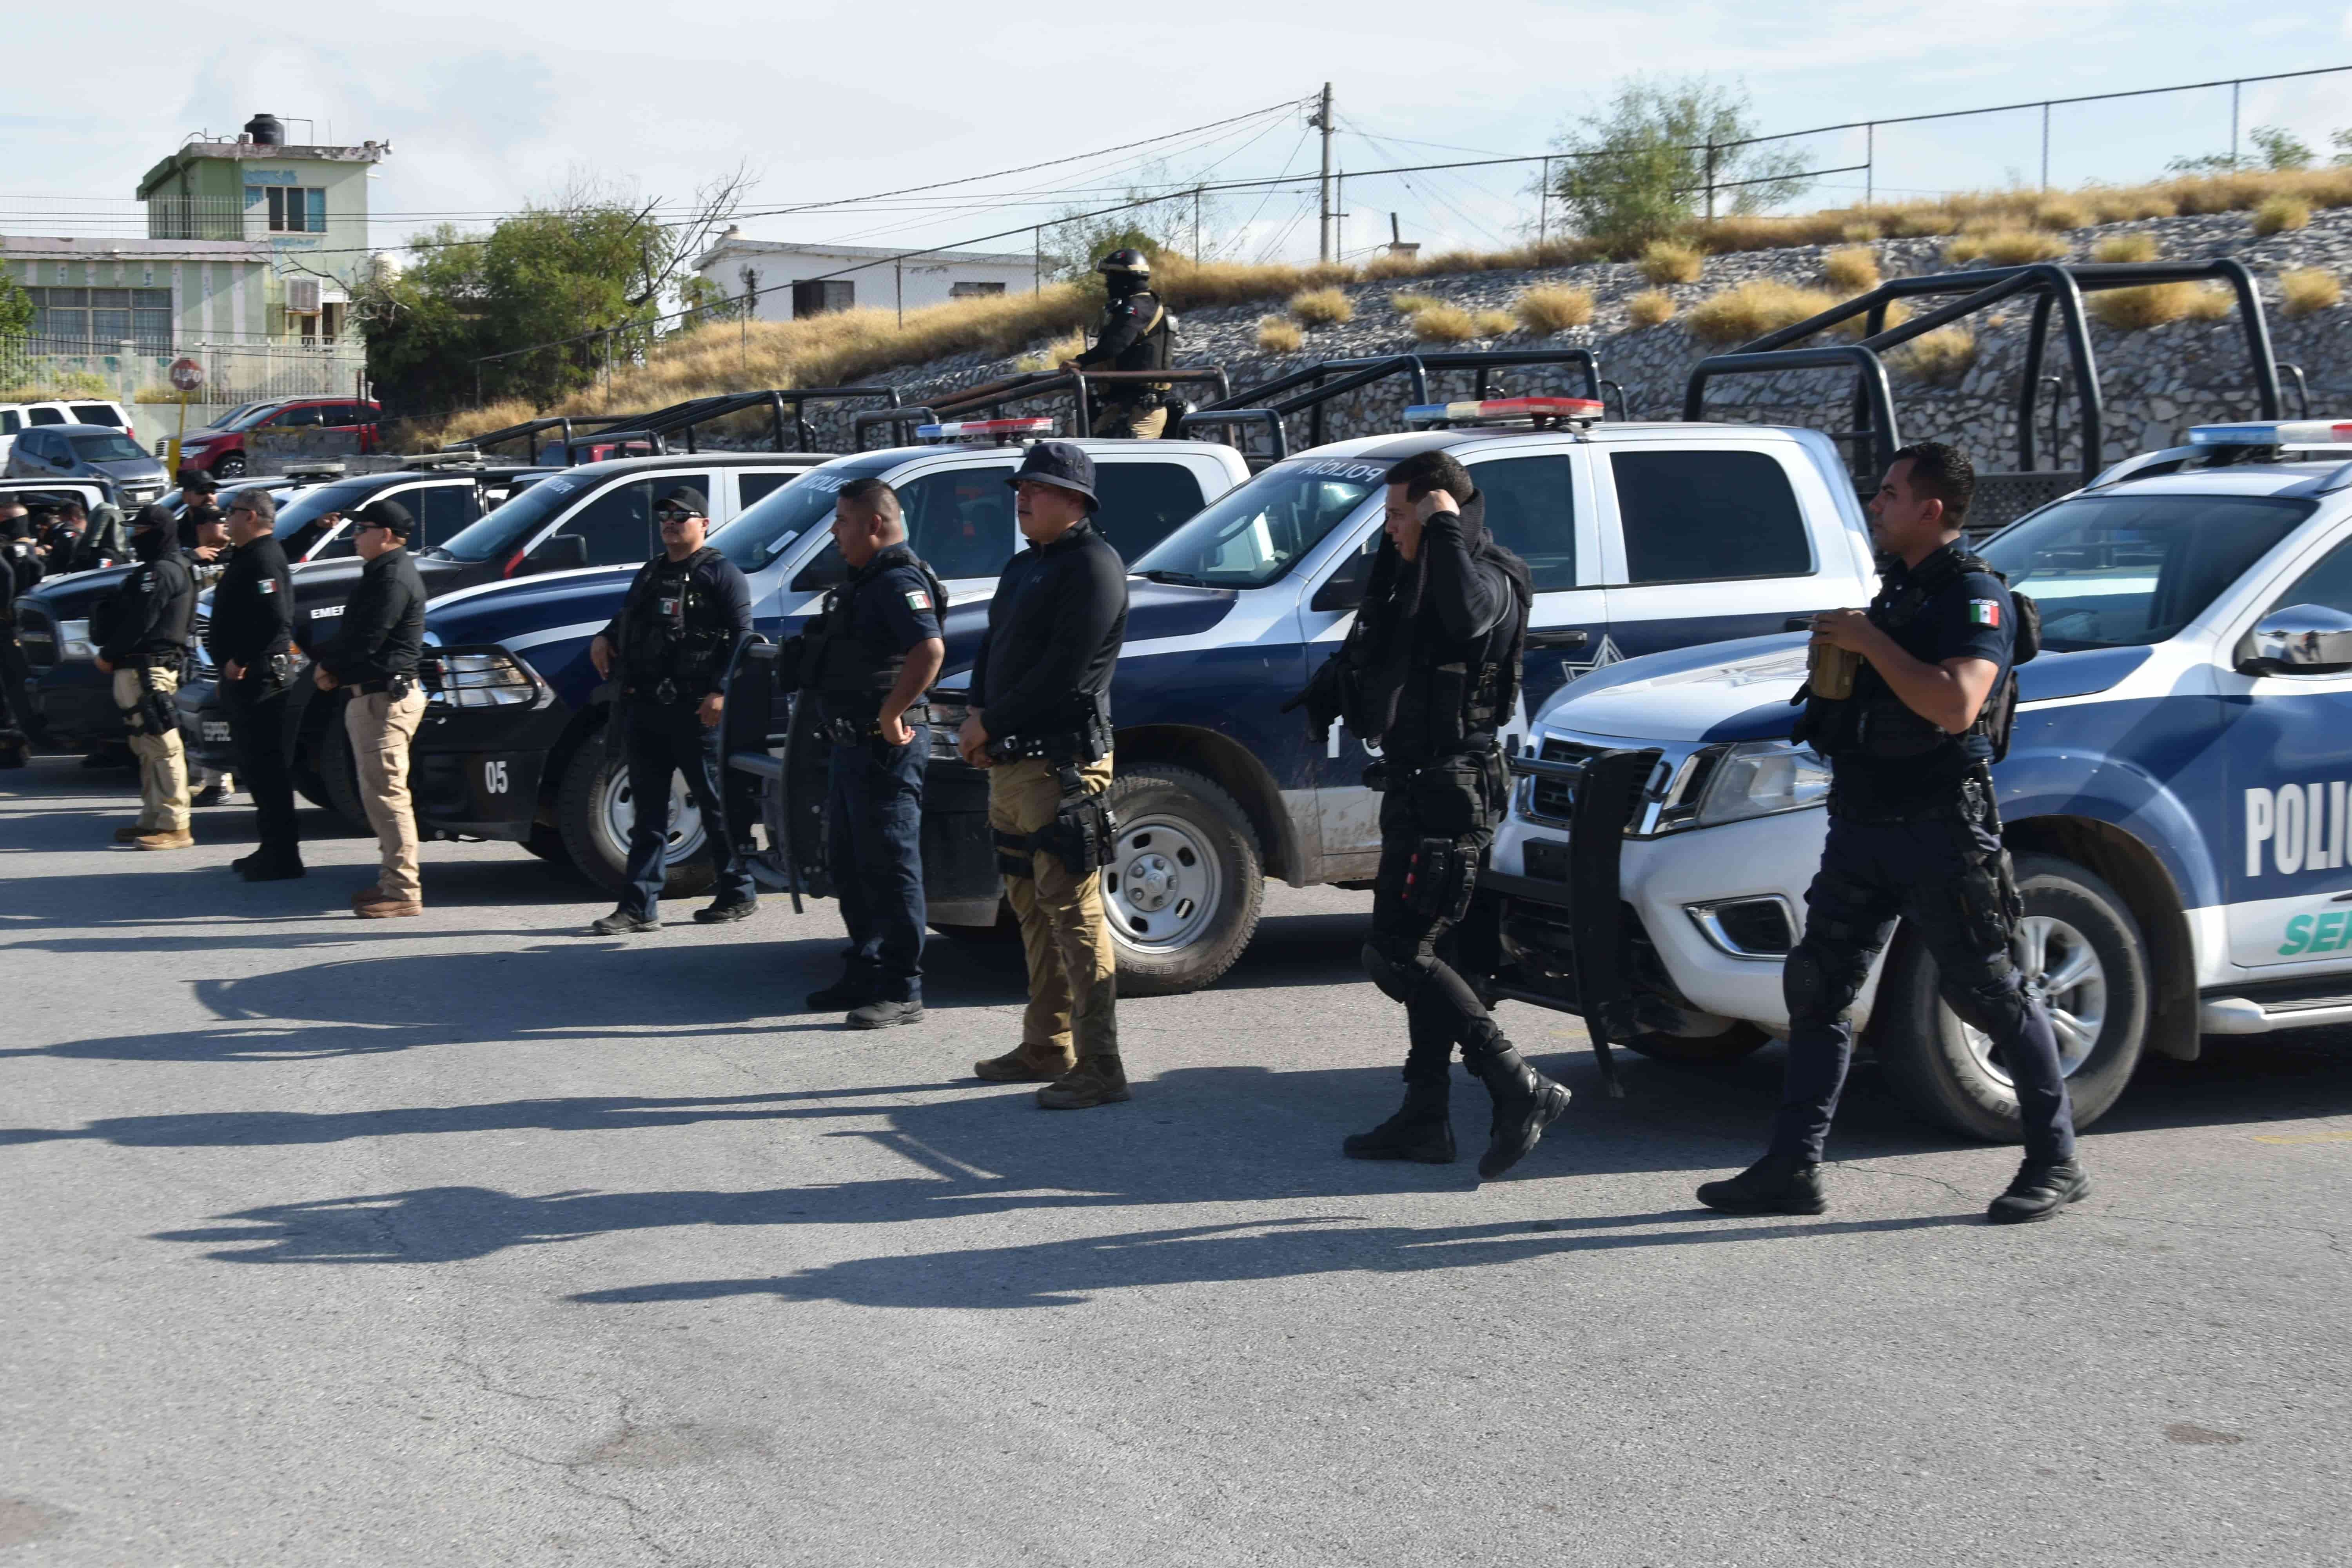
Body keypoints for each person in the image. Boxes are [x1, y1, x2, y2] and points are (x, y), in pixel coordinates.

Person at [1697, 441, 2087, 1226]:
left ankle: (2056, 1159)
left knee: (1987, 989)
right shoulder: (1898, 592)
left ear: (1930, 509)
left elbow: (1956, 704)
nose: (1876, 505)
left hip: (1942, 823)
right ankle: (1792, 1166)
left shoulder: (1975, 596)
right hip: (1864, 819)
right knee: (1817, 984)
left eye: (1889, 493)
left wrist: (1870, 642)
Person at [1288, 449, 1568, 1180]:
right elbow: (1382, 645)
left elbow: (1472, 621)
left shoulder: (1495, 576)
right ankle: (1425, 1113)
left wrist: (1442, 528)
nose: (1388, 531)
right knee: (1422, 951)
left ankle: (1517, 1082)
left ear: (1441, 508)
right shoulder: (1414, 572)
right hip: (1416, 786)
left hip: (1458, 789)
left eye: (1399, 515)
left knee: (1402, 952)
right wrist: (1331, 692)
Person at [958, 442, 1129, 1108]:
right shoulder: (1025, 566)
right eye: (1021, 486)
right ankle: (1046, 1043)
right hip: (1011, 765)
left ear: (1077, 501)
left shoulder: (1095, 568)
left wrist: (990, 723)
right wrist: (978, 715)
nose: (1023, 498)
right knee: (1031, 908)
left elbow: (1062, 676)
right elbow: (993, 649)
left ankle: (1102, 1064)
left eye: (1038, 488)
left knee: (1076, 914)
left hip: (1061, 767)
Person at [797, 477, 948, 1027]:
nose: (835, 533)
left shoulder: (898, 580)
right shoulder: (865, 582)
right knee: (852, 863)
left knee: (890, 864)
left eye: (842, 522)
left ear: (874, 526)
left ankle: (902, 987)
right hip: (850, 744)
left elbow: (929, 650)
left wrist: (891, 713)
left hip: (884, 746)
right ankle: (864, 967)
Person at [586, 484, 757, 935]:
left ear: (703, 523)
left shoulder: (722, 574)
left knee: (714, 803)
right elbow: (628, 618)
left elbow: (743, 638)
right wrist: (604, 637)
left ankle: (738, 889)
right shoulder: (651, 572)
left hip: (696, 709)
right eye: (664, 515)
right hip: (646, 707)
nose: (670, 522)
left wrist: (720, 692)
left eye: (681, 516)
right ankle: (639, 904)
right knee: (648, 810)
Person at [314, 499, 428, 918]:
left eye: (362, 529)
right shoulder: (383, 572)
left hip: (386, 699)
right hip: (374, 696)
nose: (355, 536)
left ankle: (402, 891)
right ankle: (390, 880)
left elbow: (367, 638)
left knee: (388, 796)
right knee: (379, 796)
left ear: (385, 535)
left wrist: (329, 667)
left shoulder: (393, 577)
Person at [94, 501, 217, 849]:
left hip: (148, 669)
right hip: (143, 668)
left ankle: (176, 824)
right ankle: (152, 818)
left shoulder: (161, 571)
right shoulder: (171, 566)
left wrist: (107, 655)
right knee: (147, 746)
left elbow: (141, 621)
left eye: (142, 530)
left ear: (159, 533)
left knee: (163, 745)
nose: (135, 536)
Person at [209, 488, 301, 880]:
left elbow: (274, 618)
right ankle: (271, 848)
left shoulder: (264, 557)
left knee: (267, 769)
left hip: (261, 677)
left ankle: (283, 857)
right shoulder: (249, 556)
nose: (226, 519)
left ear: (251, 516)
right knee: (256, 768)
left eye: (232, 512)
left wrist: (241, 659)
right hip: (248, 678)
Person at [1061, 248, 1174, 439]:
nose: (1107, 284)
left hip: (1143, 410)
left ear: (1125, 278)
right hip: (1121, 404)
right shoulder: (1132, 305)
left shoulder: (1140, 307)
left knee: (1127, 460)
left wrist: (1081, 361)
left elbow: (1117, 344)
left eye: (1111, 277)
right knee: (1085, 445)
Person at [0, 499, 40, 768]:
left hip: (8, 626)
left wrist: (5, 609)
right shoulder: (27, 550)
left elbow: (6, 574)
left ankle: (13, 741)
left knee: (9, 686)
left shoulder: (9, 552)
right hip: (19, 626)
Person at [176, 470, 223, 551]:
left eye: (213, 491)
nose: (209, 496)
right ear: (186, 497)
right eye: (202, 491)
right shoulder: (175, 532)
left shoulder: (227, 528)